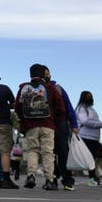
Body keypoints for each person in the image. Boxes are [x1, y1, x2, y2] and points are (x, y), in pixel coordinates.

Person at [15, 63, 65, 191]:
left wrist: (23, 121)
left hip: (31, 125)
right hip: (48, 124)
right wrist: (55, 123)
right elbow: (61, 108)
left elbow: (17, 107)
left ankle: (31, 176)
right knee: (48, 152)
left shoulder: (24, 88)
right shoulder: (50, 88)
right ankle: (49, 180)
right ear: (44, 74)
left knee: (33, 150)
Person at [43, 66, 79, 191]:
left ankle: (67, 180)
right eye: (46, 74)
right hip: (48, 125)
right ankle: (52, 179)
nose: (49, 76)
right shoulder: (38, 90)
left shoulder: (58, 88)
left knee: (63, 152)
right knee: (49, 153)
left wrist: (74, 124)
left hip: (60, 124)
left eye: (49, 73)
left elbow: (69, 106)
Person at [76, 90, 102, 187]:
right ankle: (92, 179)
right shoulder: (81, 108)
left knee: (93, 159)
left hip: (94, 138)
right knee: (90, 159)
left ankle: (94, 178)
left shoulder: (91, 109)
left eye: (91, 96)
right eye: (88, 96)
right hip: (86, 136)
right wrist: (100, 124)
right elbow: (85, 121)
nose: (90, 98)